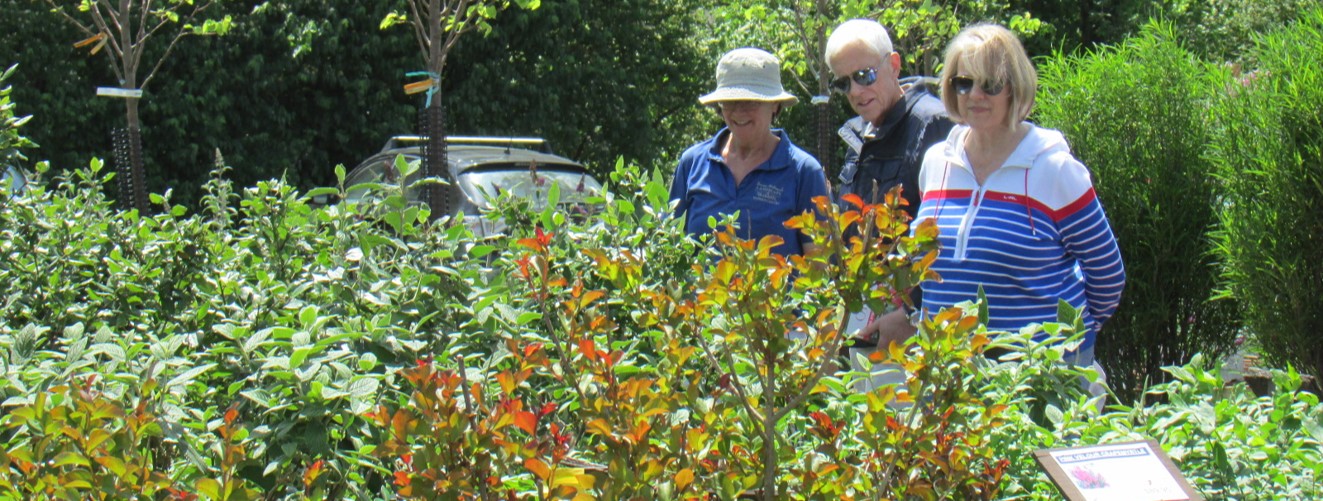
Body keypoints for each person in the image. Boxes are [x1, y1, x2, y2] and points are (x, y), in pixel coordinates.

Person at [864, 23, 1126, 373]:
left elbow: (1107, 276)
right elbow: (923, 266)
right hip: (948, 367)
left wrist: (1072, 341)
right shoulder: (937, 163)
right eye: (964, 82)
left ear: (1013, 87)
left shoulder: (1055, 170)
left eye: (990, 84)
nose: (975, 95)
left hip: (1036, 373)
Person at [670, 47, 829, 257]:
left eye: (751, 101)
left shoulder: (803, 171)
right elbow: (670, 248)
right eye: (730, 101)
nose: (738, 111)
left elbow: (819, 268)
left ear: (774, 105)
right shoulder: (692, 163)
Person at [825, 19, 955, 218]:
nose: (855, 91)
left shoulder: (933, 124)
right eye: (843, 83)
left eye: (864, 75)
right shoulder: (858, 134)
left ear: (894, 66)